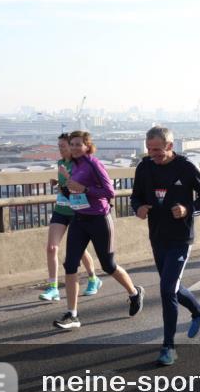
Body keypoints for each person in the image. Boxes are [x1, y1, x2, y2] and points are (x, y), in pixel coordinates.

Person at [131, 127, 200, 366]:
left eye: (156, 149)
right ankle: (199, 311)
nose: (152, 154)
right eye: (149, 149)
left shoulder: (186, 166)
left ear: (170, 146)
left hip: (181, 238)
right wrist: (138, 208)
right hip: (157, 237)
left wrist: (188, 210)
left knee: (167, 289)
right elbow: (135, 196)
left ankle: (168, 346)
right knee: (173, 288)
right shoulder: (144, 167)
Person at [54, 130, 144, 330]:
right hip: (79, 219)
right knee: (70, 264)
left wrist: (84, 189)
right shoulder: (72, 166)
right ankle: (72, 315)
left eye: (79, 144)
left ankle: (134, 293)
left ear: (87, 146)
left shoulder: (93, 164)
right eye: (72, 144)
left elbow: (110, 192)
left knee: (108, 265)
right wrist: (66, 190)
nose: (74, 148)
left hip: (99, 220)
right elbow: (75, 193)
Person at [40, 133, 101, 302]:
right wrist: (58, 184)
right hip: (61, 209)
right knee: (51, 248)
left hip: (76, 211)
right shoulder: (60, 163)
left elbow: (79, 185)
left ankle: (93, 279)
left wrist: (67, 180)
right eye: (58, 146)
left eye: (63, 146)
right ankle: (53, 288)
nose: (61, 149)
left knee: (79, 251)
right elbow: (66, 187)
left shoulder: (80, 165)